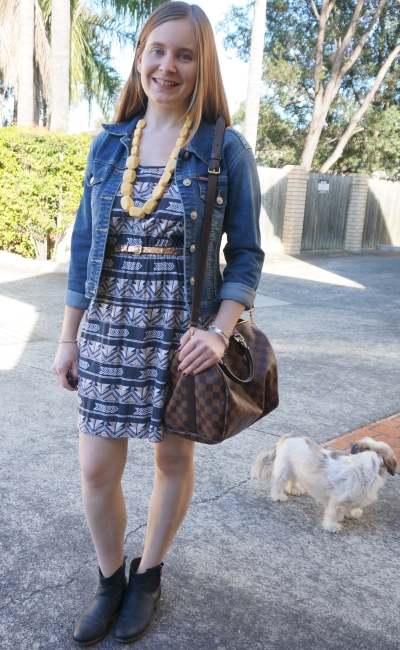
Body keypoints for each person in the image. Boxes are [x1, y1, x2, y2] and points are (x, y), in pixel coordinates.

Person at [52, 2, 264, 646]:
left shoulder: (224, 148)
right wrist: (68, 337)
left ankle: (149, 576)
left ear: (202, 65)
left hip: (183, 336)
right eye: (156, 49)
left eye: (184, 53)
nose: (166, 65)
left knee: (172, 458)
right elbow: (86, 248)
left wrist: (219, 330)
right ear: (140, 56)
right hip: (111, 329)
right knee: (96, 469)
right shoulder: (111, 143)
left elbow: (247, 254)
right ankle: (110, 578)